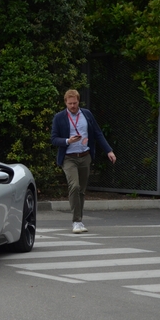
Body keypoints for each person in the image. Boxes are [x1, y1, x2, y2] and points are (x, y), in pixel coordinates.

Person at [51, 89, 117, 234]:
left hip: (84, 156)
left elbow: (98, 133)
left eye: (75, 103)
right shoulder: (59, 117)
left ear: (78, 102)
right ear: (65, 103)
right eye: (70, 104)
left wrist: (109, 151)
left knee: (81, 189)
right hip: (69, 157)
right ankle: (76, 221)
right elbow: (54, 138)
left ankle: (79, 220)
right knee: (74, 186)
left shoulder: (86, 115)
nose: (73, 106)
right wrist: (68, 140)